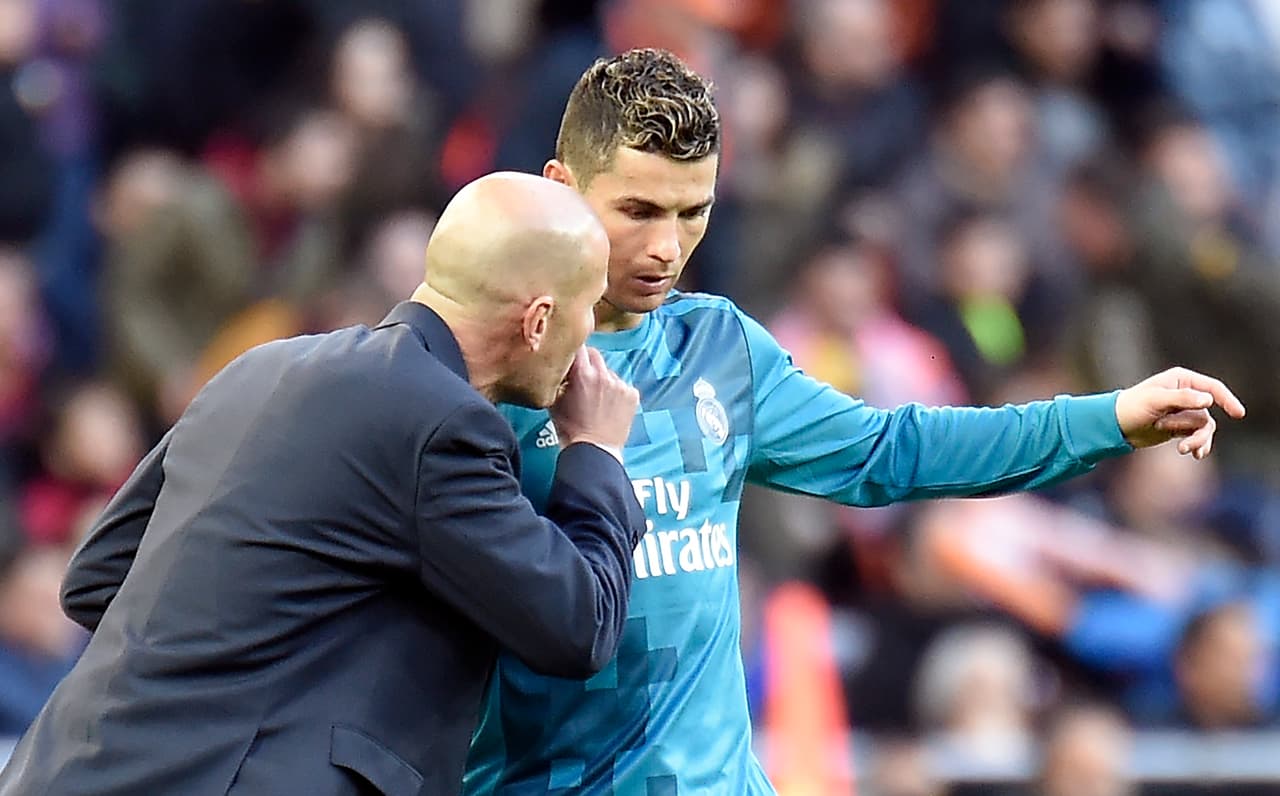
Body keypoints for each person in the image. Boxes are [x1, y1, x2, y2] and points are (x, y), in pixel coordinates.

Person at [461, 48, 1247, 794]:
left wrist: (1105, 418)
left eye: (692, 211)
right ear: (560, 187)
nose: (668, 247)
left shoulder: (719, 349)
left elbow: (892, 449)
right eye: (637, 209)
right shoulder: (484, 370)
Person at [0, 172, 647, 795]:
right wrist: (596, 454)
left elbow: (97, 577)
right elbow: (579, 624)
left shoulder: (262, 367)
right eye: (589, 310)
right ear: (538, 321)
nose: (590, 334)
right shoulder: (442, 423)